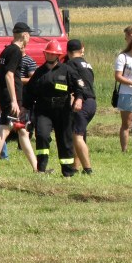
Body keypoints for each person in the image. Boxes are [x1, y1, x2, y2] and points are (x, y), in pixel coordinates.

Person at [24, 40, 84, 176]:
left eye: (53, 54)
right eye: (48, 53)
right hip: (43, 110)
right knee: (42, 135)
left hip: (63, 110)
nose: (50, 56)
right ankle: (41, 169)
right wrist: (24, 107)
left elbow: (79, 86)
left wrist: (79, 99)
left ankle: (67, 172)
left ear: (58, 55)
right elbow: (30, 92)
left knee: (65, 140)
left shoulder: (67, 70)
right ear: (45, 54)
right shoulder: (39, 72)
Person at [0, 22, 38, 175]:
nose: (30, 38)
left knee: (22, 131)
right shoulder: (15, 51)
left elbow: (0, 75)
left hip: (7, 97)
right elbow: (9, 75)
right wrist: (14, 100)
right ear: (25, 35)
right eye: (29, 35)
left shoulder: (6, 51)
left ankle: (37, 168)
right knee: (4, 130)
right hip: (13, 98)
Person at [65, 39, 96, 174]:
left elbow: (76, 84)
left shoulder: (70, 64)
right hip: (91, 102)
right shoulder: (87, 64)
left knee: (77, 136)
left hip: (81, 102)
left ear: (68, 51)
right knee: (78, 135)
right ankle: (75, 167)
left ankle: (88, 169)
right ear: (80, 50)